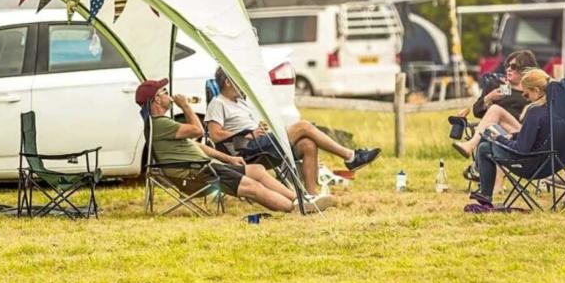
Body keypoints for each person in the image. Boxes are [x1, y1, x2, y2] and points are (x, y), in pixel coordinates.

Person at [135, 78, 334, 213]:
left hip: (201, 167)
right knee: (252, 187)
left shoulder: (160, 126)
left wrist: (228, 158)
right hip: (197, 173)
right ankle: (296, 208)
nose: (169, 94)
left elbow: (197, 145)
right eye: (164, 92)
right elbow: (198, 131)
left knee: (256, 169)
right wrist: (186, 106)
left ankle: (302, 199)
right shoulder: (159, 124)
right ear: (156, 100)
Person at [205, 67, 381, 195]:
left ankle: (310, 197)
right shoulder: (218, 103)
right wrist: (248, 134)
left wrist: (257, 130)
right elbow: (215, 134)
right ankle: (350, 157)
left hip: (259, 144)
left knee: (308, 144)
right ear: (228, 82)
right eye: (238, 79)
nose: (243, 83)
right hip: (247, 150)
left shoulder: (239, 102)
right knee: (303, 126)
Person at [469, 69, 552, 207]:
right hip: (550, 162)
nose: (526, 98)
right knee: (488, 143)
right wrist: (512, 136)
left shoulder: (535, 112)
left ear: (536, 91)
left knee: (484, 148)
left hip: (530, 164)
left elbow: (521, 149)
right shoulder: (553, 109)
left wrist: (499, 139)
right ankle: (484, 192)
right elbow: (534, 136)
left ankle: (485, 194)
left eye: (526, 94)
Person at [450, 50, 539, 159]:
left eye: (514, 66)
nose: (508, 69)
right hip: (497, 135)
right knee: (489, 140)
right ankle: (482, 168)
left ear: (525, 70)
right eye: (507, 66)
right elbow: (476, 112)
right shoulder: (496, 85)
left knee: (495, 110)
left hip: (520, 136)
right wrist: (489, 98)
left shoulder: (532, 91)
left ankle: (471, 147)